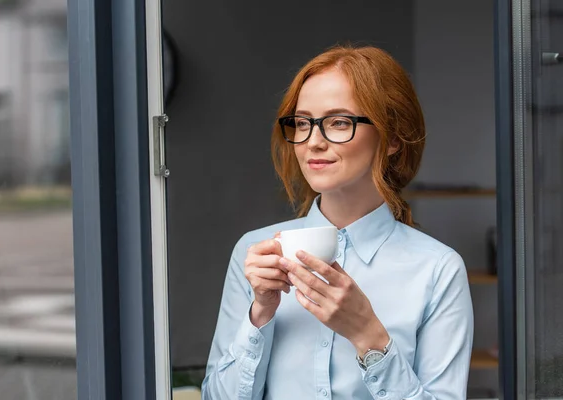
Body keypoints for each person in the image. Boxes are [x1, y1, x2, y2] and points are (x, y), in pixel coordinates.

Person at [202, 46, 473, 400]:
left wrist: (368, 335)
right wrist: (260, 314)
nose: (313, 142)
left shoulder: (438, 270)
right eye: (302, 123)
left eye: (339, 122)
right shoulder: (255, 254)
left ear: (392, 138)